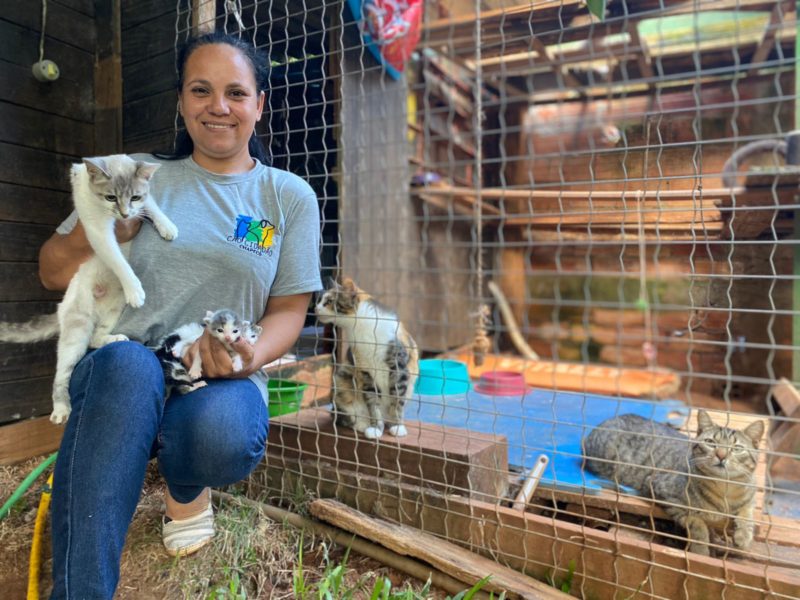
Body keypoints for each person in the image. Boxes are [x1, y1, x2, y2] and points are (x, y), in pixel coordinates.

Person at [38, 33, 322, 599]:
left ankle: (186, 485)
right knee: (128, 369)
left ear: (259, 104)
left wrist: (248, 358)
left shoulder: (285, 196)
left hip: (218, 373)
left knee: (219, 432)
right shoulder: (134, 175)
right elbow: (50, 270)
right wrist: (107, 233)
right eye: (201, 90)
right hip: (124, 361)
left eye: (236, 93)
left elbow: (290, 308)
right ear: (180, 101)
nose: (218, 106)